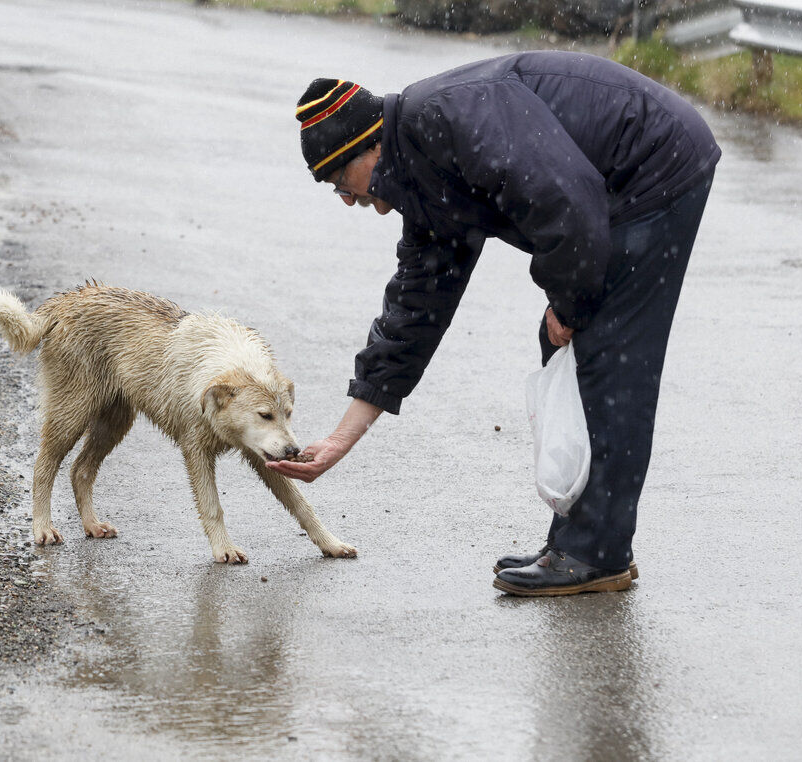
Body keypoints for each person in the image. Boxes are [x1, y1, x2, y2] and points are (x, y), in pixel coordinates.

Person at [266, 52, 720, 597]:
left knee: (607, 352)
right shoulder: (421, 171)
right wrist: (340, 440)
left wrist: (569, 306)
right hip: (614, 186)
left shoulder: (451, 119)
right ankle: (579, 540)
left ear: (372, 146)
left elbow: (567, 204)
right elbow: (415, 309)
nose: (347, 198)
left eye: (342, 178)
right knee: (569, 348)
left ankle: (596, 553)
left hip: (653, 164)